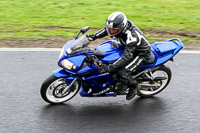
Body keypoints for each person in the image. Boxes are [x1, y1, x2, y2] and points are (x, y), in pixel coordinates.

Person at [87, 12, 152, 100]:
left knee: (122, 72)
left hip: (141, 54)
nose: (111, 32)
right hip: (127, 48)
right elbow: (106, 30)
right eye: (110, 29)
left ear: (122, 27)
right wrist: (92, 37)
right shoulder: (117, 26)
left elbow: (127, 57)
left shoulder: (132, 36)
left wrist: (110, 68)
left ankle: (135, 85)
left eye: (113, 31)